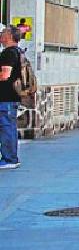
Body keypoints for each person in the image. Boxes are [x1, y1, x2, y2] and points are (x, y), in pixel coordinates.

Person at [0, 26, 23, 170]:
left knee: (6, 128)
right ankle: (11, 157)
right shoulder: (18, 52)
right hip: (11, 97)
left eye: (2, 33)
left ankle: (9, 158)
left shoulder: (8, 53)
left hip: (6, 97)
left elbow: (4, 75)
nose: (0, 35)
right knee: (9, 127)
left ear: (9, 36)